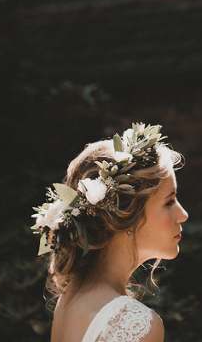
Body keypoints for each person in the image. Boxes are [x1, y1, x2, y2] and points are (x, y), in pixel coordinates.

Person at [31, 123, 188, 342]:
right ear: (126, 216)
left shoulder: (70, 300)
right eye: (169, 201)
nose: (183, 214)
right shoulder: (136, 323)